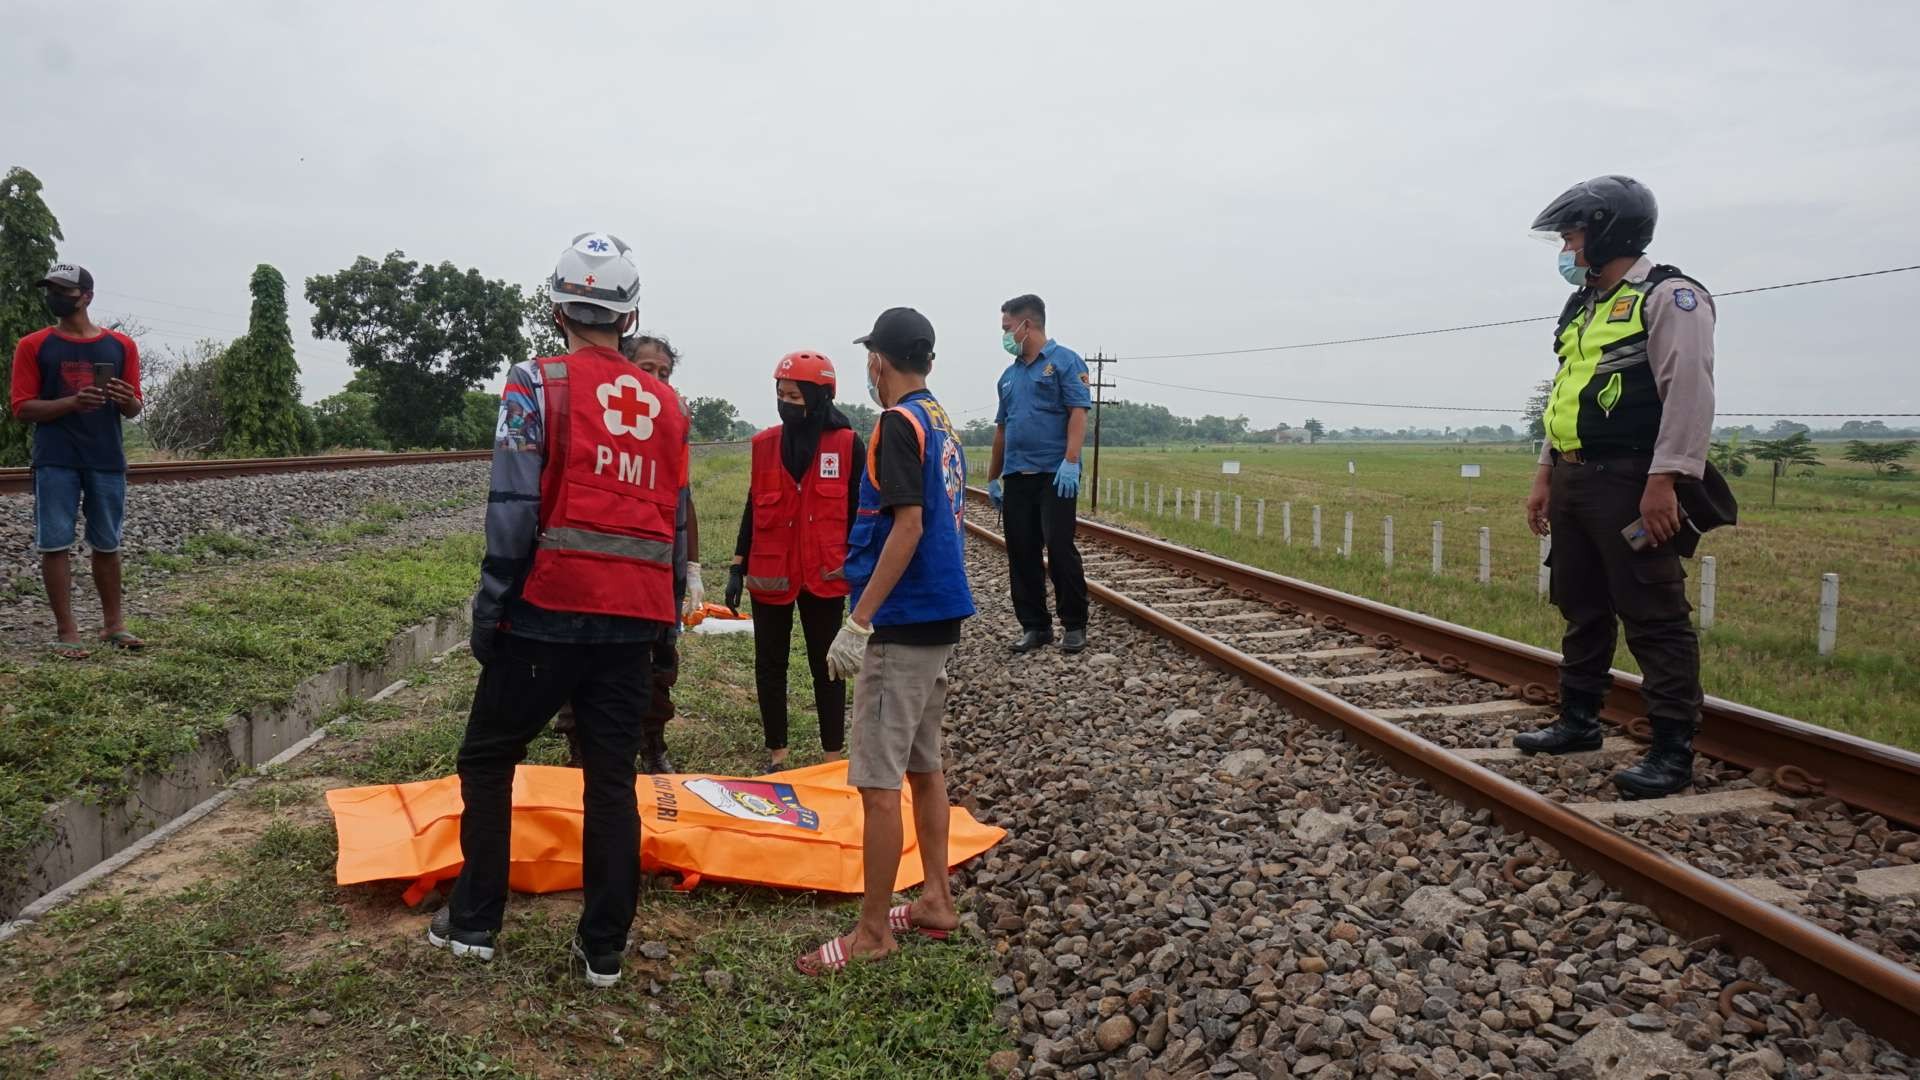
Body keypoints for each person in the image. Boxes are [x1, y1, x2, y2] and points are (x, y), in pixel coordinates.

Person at [429, 233, 688, 988]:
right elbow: (671, 522)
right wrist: (664, 621)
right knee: (611, 779)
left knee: (487, 756)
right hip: (633, 621)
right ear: (630, 314)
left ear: (556, 308)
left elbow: (512, 504)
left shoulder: (534, 384)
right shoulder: (668, 405)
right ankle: (603, 949)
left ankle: (474, 920)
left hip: (548, 609)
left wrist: (493, 600)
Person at [1513, 176, 1718, 799]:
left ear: (1606, 233)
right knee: (1581, 604)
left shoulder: (1669, 297)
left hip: (1634, 478)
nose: (1567, 249)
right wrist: (1545, 474)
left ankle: (1672, 749)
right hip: (1575, 476)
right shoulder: (1585, 306)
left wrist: (1666, 481)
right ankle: (1579, 720)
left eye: (1572, 236)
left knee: (1653, 614)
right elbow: (1566, 395)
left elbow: (1689, 391)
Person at [796, 307, 974, 974]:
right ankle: (935, 899)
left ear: (879, 361)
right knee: (925, 765)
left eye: (870, 358)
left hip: (900, 625)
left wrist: (858, 620)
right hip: (938, 622)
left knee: (877, 782)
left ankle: (872, 934)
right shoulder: (941, 423)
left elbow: (906, 528)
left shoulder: (897, 426)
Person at [551, 333, 696, 775]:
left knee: (659, 659)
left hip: (656, 571)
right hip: (598, 569)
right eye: (647, 369)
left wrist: (690, 567)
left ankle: (653, 744)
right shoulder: (594, 416)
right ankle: (579, 748)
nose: (655, 380)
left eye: (664, 373)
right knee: (582, 659)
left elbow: (683, 499)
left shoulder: (672, 423)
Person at [726, 351, 864, 768]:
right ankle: (777, 754)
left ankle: (831, 758)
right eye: (781, 394)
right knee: (770, 664)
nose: (786, 403)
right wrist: (736, 565)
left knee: (830, 666)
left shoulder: (845, 444)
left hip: (825, 574)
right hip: (771, 573)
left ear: (819, 397)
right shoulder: (763, 444)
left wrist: (862, 573)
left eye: (795, 395)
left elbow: (860, 512)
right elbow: (754, 506)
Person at [9, 264, 144, 660]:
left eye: (63, 290)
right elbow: (22, 408)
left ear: (86, 295)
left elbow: (135, 408)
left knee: (107, 543)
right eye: (50, 289)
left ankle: (113, 626)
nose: (55, 296)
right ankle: (67, 633)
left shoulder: (120, 346)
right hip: (56, 460)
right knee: (55, 544)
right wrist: (72, 401)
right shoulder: (33, 345)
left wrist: (125, 399)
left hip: (105, 458)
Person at [986, 293, 1090, 654]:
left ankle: (1074, 624)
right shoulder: (1009, 377)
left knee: (1059, 549)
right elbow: (1002, 428)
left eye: (1006, 327)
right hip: (1017, 476)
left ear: (1026, 325)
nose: (1004, 335)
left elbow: (1078, 411)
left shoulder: (1064, 361)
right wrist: (993, 476)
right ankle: (1035, 626)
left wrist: (1071, 460)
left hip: (1054, 474)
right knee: (1022, 553)